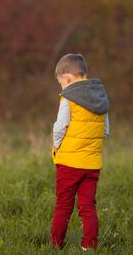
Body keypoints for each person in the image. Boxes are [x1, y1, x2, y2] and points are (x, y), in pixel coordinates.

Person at [50, 53, 110, 250]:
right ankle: (89, 246)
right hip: (92, 164)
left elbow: (60, 128)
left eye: (61, 83)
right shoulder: (101, 97)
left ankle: (56, 245)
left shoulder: (68, 97)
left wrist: (57, 146)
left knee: (63, 206)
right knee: (88, 206)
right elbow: (106, 132)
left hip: (69, 163)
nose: (62, 87)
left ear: (67, 78)